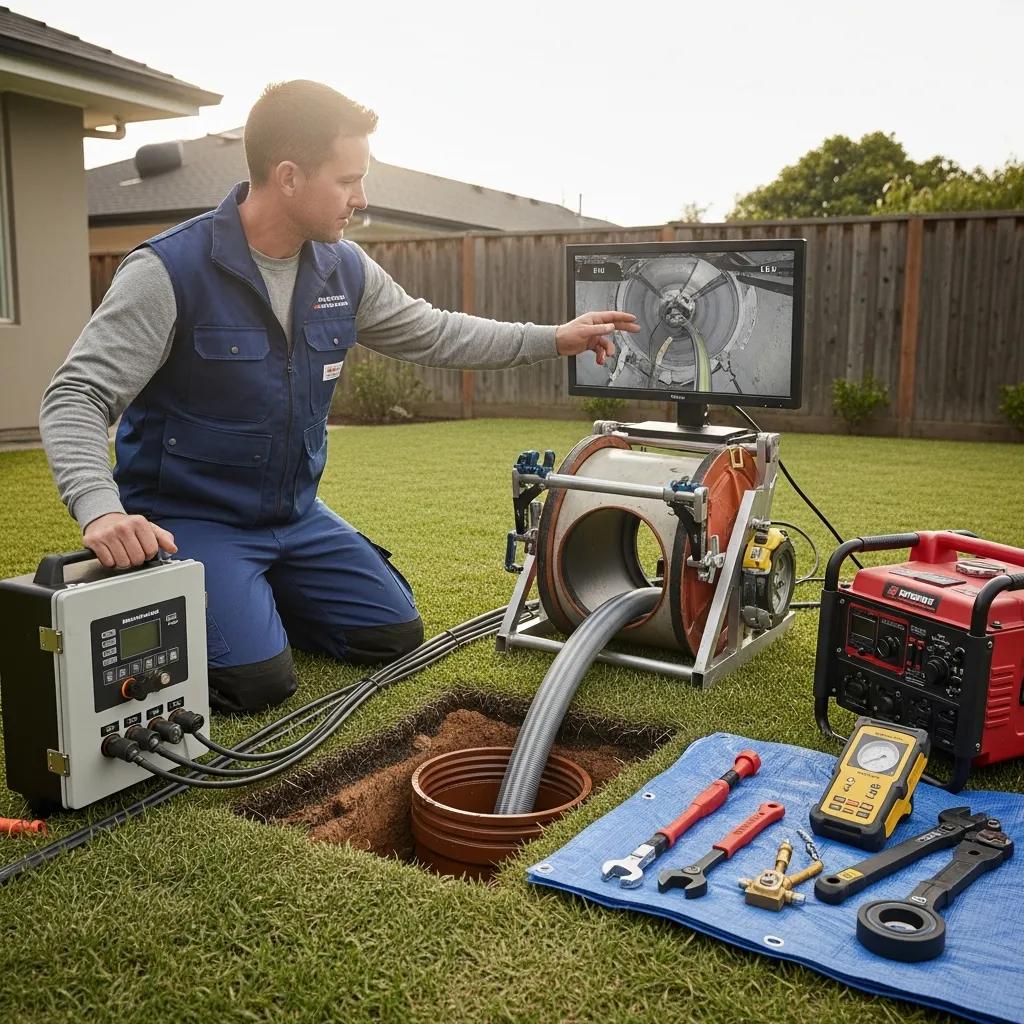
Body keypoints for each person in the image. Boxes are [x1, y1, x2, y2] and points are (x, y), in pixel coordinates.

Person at [40, 80, 638, 715]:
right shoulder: (167, 272)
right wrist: (101, 511)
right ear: (289, 176)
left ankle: (252, 597)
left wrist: (554, 338)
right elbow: (76, 394)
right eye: (348, 180)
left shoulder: (342, 269)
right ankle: (230, 605)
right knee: (258, 684)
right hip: (189, 519)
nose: (362, 198)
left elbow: (435, 332)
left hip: (293, 517)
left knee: (392, 635)